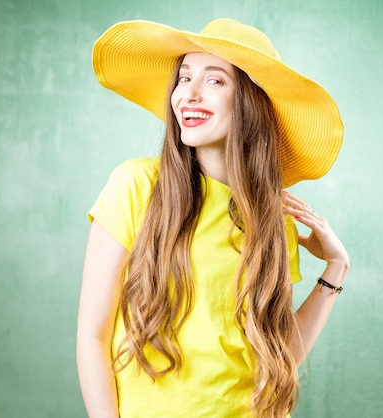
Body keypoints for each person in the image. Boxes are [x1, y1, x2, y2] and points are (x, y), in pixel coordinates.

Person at [76, 18, 348, 418]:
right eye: (184, 78)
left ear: (250, 103)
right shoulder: (135, 185)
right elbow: (92, 336)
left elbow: (274, 354)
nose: (189, 94)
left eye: (215, 81)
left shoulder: (275, 217)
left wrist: (335, 271)